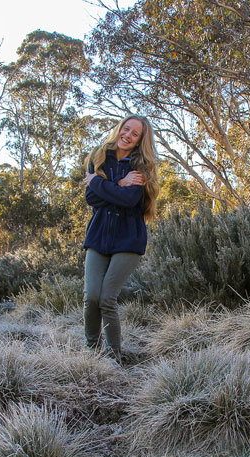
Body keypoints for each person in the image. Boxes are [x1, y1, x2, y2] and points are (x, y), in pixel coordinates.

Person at [82, 114, 160, 363]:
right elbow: (91, 199)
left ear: (140, 141)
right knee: (91, 296)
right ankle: (91, 354)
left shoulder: (142, 166)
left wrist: (101, 183)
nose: (127, 135)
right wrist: (119, 183)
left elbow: (129, 200)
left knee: (107, 298)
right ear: (119, 128)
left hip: (128, 239)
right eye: (126, 129)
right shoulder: (99, 157)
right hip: (99, 235)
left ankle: (114, 357)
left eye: (134, 134)